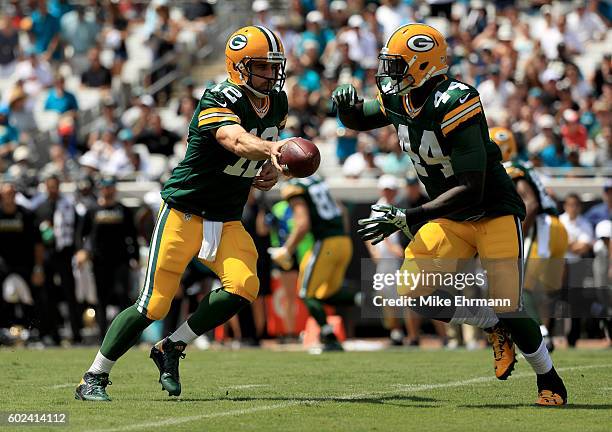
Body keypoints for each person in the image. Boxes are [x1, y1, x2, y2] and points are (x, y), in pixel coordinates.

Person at [332, 24, 566, 406]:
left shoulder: (456, 99)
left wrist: (413, 215)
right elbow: (360, 117)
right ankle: (491, 324)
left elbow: (472, 185)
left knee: (510, 304)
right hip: (451, 217)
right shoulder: (400, 99)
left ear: (425, 65)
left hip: (491, 210)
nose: (389, 75)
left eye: (398, 66)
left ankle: (549, 378)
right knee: (413, 292)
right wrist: (345, 105)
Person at [75, 25, 290, 401]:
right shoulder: (218, 95)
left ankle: (171, 347)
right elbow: (233, 139)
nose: (272, 74)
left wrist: (269, 168)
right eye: (263, 67)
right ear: (239, 67)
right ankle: (93, 377)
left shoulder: (278, 102)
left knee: (244, 286)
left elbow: (257, 154)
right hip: (184, 212)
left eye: (275, 66)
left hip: (225, 218)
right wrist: (271, 150)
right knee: (153, 304)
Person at [490, 127, 568, 351]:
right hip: (555, 225)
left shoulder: (511, 168)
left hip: (541, 227)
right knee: (546, 288)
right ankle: (547, 334)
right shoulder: (522, 164)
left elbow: (531, 203)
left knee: (522, 284)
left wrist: (519, 233)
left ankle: (541, 334)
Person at [271, 174, 354, 351]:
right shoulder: (317, 181)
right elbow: (343, 211)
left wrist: (286, 250)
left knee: (306, 294)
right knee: (326, 294)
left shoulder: (294, 186)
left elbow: (302, 224)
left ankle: (328, 336)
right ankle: (365, 299)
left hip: (325, 243)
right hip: (344, 241)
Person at [75, 175, 139, 339]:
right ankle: (104, 335)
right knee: (102, 298)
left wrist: (135, 257)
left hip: (121, 260)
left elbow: (132, 235)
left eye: (110, 186)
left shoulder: (123, 209)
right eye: (104, 186)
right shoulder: (92, 210)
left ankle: (125, 334)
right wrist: (82, 251)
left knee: (123, 295)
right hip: (100, 260)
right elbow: (81, 234)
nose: (107, 189)